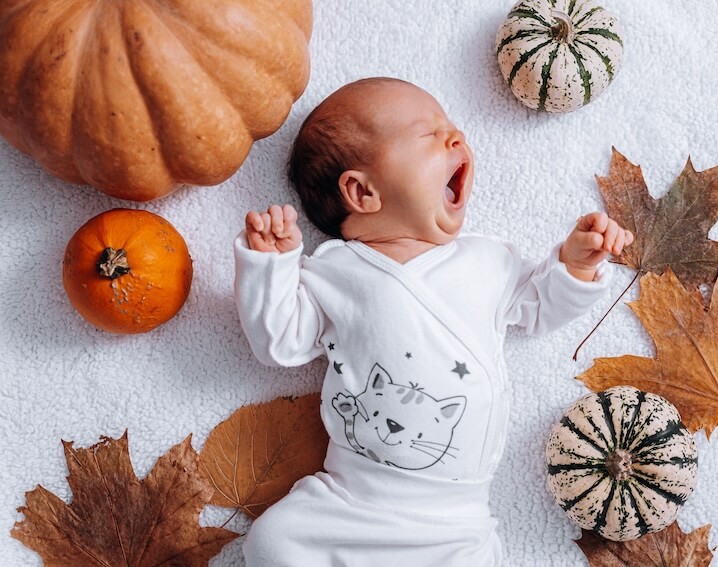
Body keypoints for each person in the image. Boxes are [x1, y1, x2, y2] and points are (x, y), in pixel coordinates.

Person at [234, 77, 633, 566]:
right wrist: (271, 267)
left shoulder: (487, 260)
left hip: (454, 519)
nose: (456, 137)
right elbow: (279, 343)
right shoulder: (333, 270)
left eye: (452, 126)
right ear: (361, 192)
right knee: (273, 540)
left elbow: (538, 308)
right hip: (352, 498)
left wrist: (575, 266)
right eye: (429, 134)